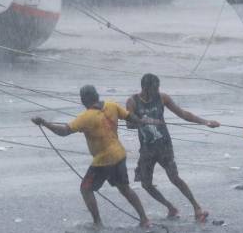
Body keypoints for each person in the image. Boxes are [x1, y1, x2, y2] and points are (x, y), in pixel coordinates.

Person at [31, 85, 152, 228]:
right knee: (125, 189)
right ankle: (144, 219)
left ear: (84, 99)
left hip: (104, 160)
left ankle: (97, 223)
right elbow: (129, 116)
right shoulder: (112, 105)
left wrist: (44, 123)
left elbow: (64, 131)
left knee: (86, 189)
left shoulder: (85, 117)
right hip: (119, 154)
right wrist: (140, 121)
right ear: (97, 95)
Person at [126, 73, 219, 223]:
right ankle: (170, 207)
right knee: (146, 184)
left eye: (158, 88)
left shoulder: (163, 98)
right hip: (147, 149)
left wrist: (205, 122)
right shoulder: (132, 102)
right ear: (144, 88)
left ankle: (197, 208)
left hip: (164, 146)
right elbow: (129, 124)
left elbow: (183, 114)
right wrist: (142, 120)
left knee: (174, 178)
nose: (157, 91)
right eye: (154, 89)